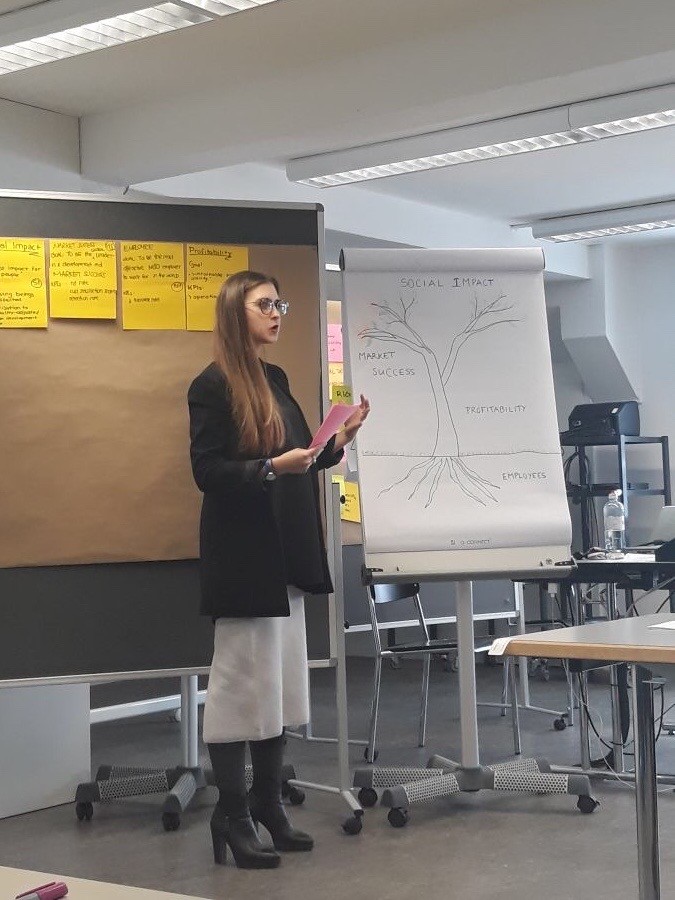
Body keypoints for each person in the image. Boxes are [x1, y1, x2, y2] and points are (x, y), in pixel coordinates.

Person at [188, 270, 369, 869]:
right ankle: (232, 817)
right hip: (245, 560)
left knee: (280, 686)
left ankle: (268, 805)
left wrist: (335, 444)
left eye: (279, 302)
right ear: (234, 315)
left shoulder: (276, 379)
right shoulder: (212, 387)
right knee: (241, 691)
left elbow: (301, 462)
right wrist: (269, 468)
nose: (277, 313)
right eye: (265, 304)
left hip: (287, 554)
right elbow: (209, 473)